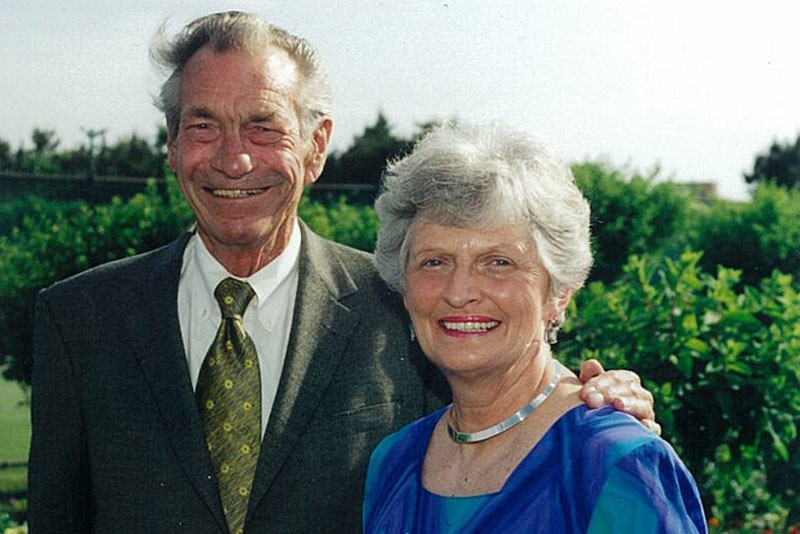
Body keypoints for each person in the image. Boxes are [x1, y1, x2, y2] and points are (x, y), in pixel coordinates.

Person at [28, 11, 658, 534]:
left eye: (263, 126)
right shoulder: (78, 319)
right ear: (170, 144)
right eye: (203, 126)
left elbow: (508, 400)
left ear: (317, 145)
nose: (235, 158)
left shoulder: (405, 303)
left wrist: (604, 401)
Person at [363, 121, 707, 533]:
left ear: (558, 293)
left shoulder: (614, 464)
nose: (459, 292)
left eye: (498, 262)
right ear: (404, 289)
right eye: (435, 261)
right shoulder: (394, 461)